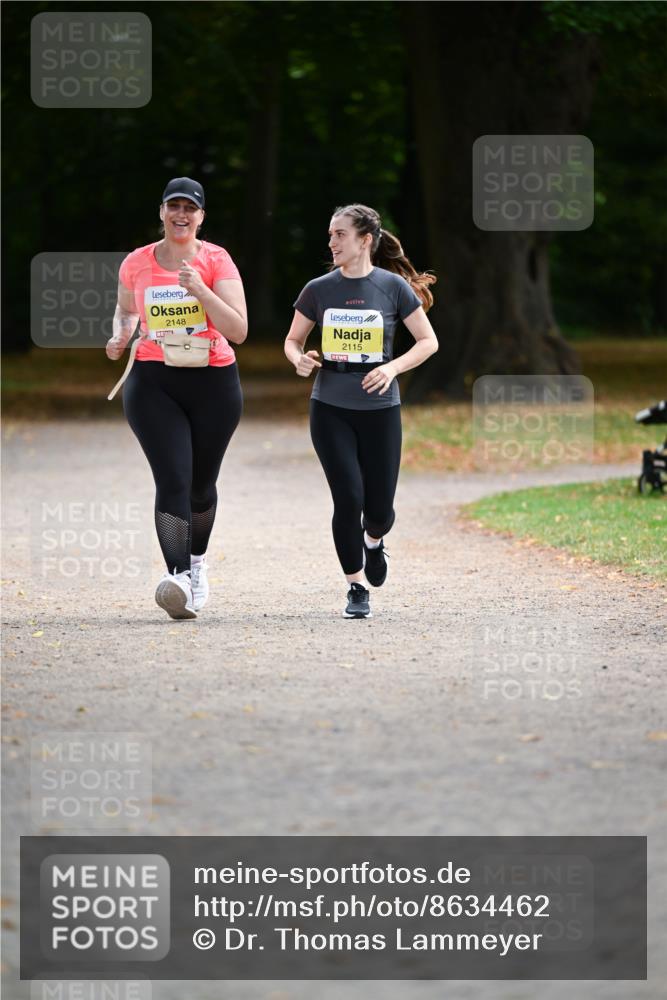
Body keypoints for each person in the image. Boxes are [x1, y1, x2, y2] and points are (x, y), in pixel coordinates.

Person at [284, 203, 438, 619]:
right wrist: (298, 358)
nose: (331, 242)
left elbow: (428, 342)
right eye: (331, 234)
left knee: (380, 512)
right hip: (330, 406)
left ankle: (374, 540)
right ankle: (355, 587)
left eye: (339, 235)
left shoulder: (392, 287)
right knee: (347, 498)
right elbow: (292, 341)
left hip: (380, 410)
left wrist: (390, 367)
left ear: (364, 240)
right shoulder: (318, 289)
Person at [106, 177, 247, 620]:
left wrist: (200, 290)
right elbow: (128, 309)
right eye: (174, 206)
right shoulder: (136, 262)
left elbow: (239, 330)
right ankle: (178, 578)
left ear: (201, 217)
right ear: (162, 212)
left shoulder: (216, 260)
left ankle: (197, 564)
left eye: (190, 208)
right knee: (173, 479)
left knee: (201, 488)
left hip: (213, 381)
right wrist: (120, 334)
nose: (181, 214)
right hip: (152, 381)